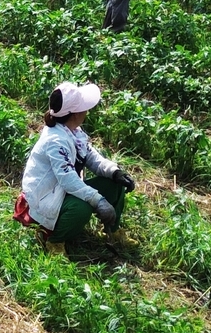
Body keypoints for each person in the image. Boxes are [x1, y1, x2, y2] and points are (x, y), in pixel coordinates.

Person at [13, 82, 137, 256]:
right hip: (47, 196)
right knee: (82, 207)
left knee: (113, 184)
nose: (87, 112)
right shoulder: (55, 141)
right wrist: (98, 201)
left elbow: (90, 156)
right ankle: (54, 240)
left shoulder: (73, 132)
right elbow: (67, 179)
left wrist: (114, 172)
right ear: (76, 114)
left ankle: (113, 230)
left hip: (62, 190)